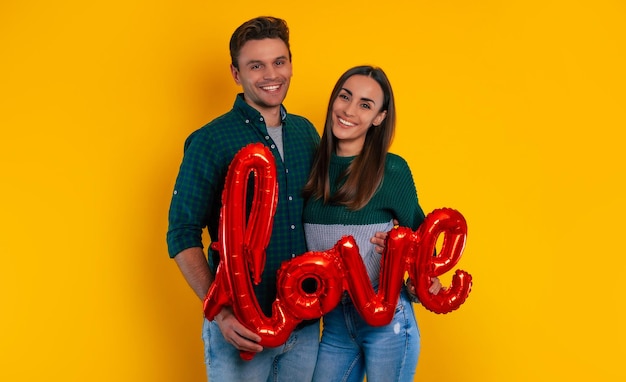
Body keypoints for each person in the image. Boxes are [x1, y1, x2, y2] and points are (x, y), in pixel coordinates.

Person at [166, 18, 389, 382]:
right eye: (256, 65)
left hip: (303, 325)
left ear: (290, 64)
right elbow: (182, 233)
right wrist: (219, 314)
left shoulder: (306, 133)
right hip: (241, 330)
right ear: (236, 74)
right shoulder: (209, 141)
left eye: (279, 62)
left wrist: (386, 234)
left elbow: (329, 210)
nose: (271, 74)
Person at [302, 65, 442, 382]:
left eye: (365, 105)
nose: (349, 110)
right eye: (345, 97)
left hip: (389, 323)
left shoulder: (391, 171)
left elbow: (424, 239)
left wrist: (420, 278)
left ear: (379, 117)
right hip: (335, 324)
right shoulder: (310, 169)